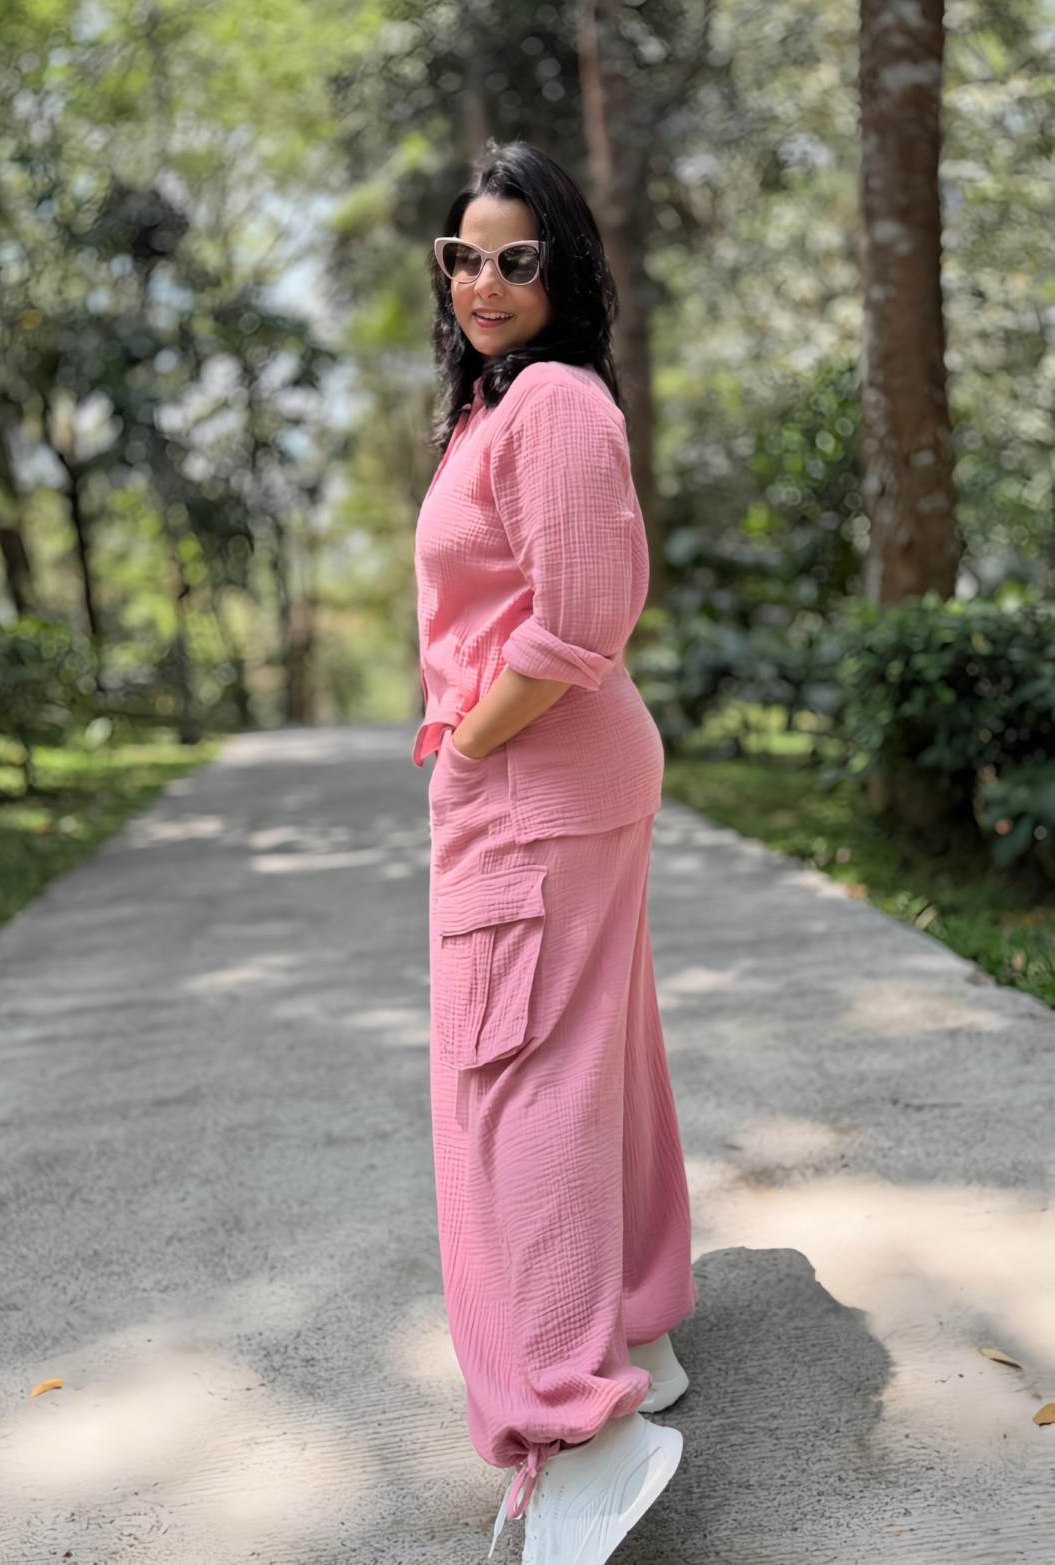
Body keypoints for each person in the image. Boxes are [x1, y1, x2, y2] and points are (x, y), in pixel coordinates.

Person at [412, 137, 697, 1564]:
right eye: (462, 256)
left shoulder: (559, 402)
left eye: (515, 258)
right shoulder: (500, 403)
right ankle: (637, 1323)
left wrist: (470, 742)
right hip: (554, 782)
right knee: (589, 1056)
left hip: (533, 786)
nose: (483, 282)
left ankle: (580, 1422)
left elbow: (577, 620)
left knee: (514, 1086)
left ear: (564, 269)